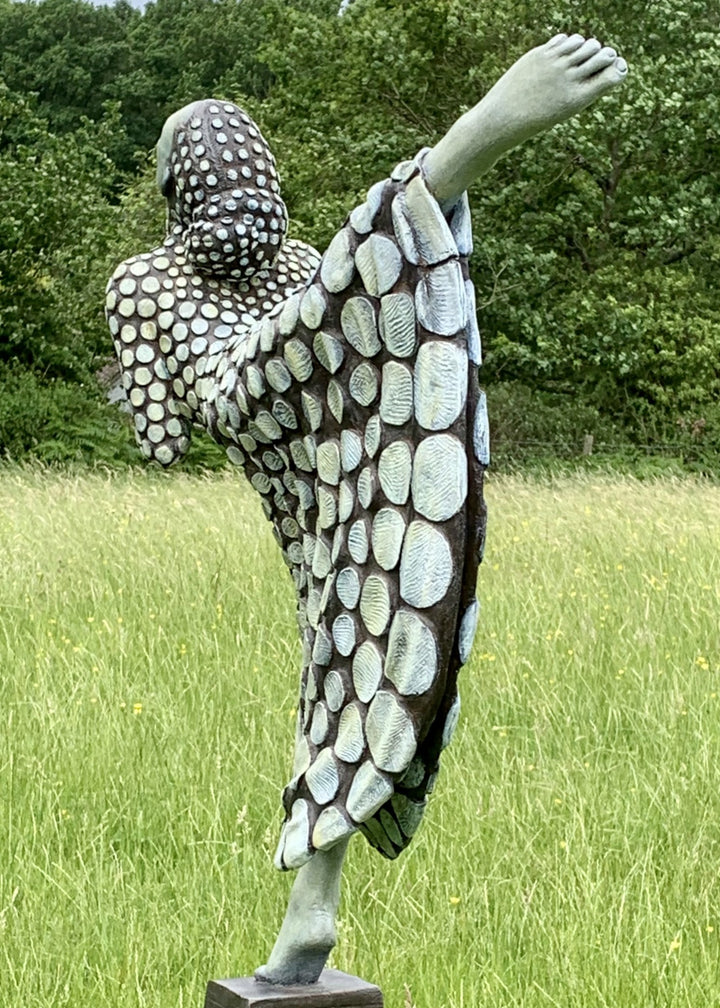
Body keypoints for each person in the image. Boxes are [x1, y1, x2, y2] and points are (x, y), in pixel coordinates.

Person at [105, 33, 627, 986]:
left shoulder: (159, 279)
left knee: (350, 630)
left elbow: (157, 433)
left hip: (314, 458)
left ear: (176, 189)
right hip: (269, 387)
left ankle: (314, 903)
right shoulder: (187, 279)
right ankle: (459, 153)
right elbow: (229, 391)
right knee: (346, 626)